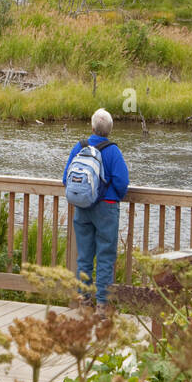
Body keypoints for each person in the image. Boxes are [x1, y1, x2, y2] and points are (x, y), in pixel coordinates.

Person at [62, 108, 129, 307]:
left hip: (82, 207)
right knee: (105, 257)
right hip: (107, 208)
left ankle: (84, 300)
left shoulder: (79, 146)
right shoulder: (113, 151)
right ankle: (102, 304)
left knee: (84, 256)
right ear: (110, 130)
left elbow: (66, 177)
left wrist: (85, 196)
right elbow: (121, 182)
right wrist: (114, 197)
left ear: (92, 127)